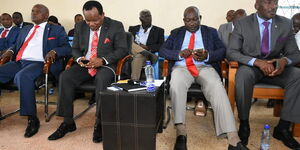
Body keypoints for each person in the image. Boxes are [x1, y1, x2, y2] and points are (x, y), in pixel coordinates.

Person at [159, 6, 248, 150]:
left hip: (204, 67)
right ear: (184, 20)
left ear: (200, 18)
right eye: (188, 20)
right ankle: (181, 132)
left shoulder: (210, 32)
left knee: (217, 87)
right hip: (182, 68)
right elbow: (163, 50)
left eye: (195, 19)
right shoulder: (176, 33)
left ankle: (233, 139)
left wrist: (208, 55)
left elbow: (222, 51)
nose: (192, 23)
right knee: (175, 84)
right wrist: (179, 54)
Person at [48, 1, 127, 143]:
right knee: (65, 77)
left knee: (102, 79)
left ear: (103, 14)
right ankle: (67, 122)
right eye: (88, 20)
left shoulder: (116, 25)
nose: (91, 24)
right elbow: (75, 48)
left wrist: (103, 60)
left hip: (105, 65)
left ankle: (100, 123)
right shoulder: (80, 26)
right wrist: (79, 59)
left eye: (95, 20)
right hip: (86, 64)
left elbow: (122, 49)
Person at [227, 0, 300, 149]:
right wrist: (256, 62)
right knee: (242, 76)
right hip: (251, 67)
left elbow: (295, 54)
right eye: (268, 3)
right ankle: (244, 124)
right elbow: (231, 52)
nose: (273, 6)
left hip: (276, 68)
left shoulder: (285, 23)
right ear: (257, 5)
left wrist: (284, 61)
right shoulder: (242, 23)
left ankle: (283, 128)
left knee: (297, 75)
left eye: (275, 2)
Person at [0, 4, 71, 138]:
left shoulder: (56, 29)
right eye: (33, 11)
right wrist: (10, 51)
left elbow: (67, 48)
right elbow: (16, 45)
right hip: (20, 62)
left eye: (38, 12)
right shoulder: (25, 29)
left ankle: (32, 119)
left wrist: (55, 51)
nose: (34, 13)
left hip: (39, 63)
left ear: (46, 15)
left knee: (23, 76)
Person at [128, 9, 164, 81]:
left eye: (149, 16)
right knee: (128, 41)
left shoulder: (159, 30)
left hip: (146, 57)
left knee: (139, 56)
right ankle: (145, 52)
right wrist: (138, 47)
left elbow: (161, 45)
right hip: (132, 53)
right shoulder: (133, 29)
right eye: (144, 16)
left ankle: (134, 81)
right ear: (140, 19)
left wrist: (147, 47)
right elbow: (129, 42)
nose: (148, 18)